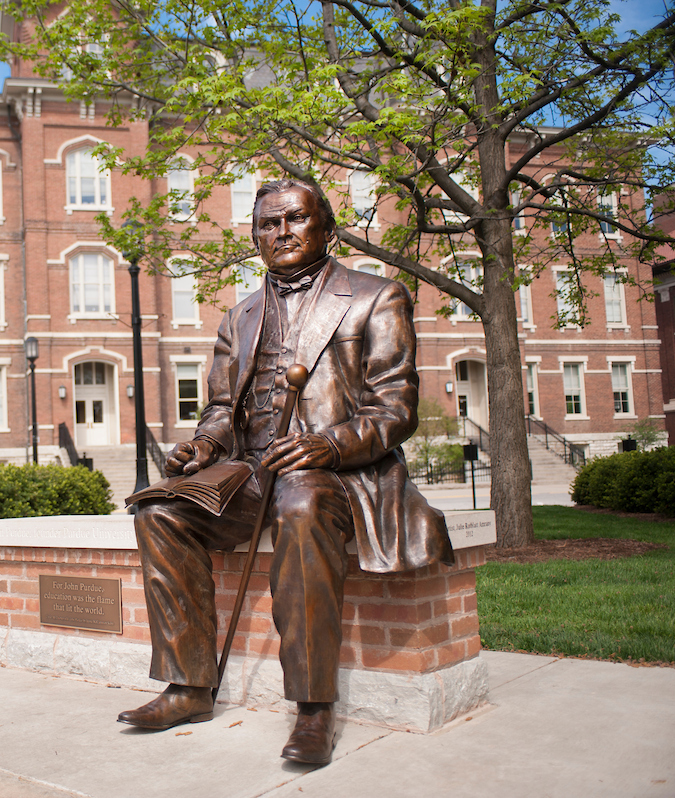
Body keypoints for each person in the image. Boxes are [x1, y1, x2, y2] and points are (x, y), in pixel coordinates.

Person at [120, 177, 453, 765]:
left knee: (300, 505)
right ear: (255, 237)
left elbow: (395, 410)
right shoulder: (240, 315)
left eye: (295, 219)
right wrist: (201, 447)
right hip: (250, 471)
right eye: (268, 225)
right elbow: (222, 410)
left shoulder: (377, 296)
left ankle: (313, 707)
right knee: (160, 510)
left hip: (340, 473)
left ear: (325, 225)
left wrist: (328, 444)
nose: (283, 232)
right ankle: (189, 685)